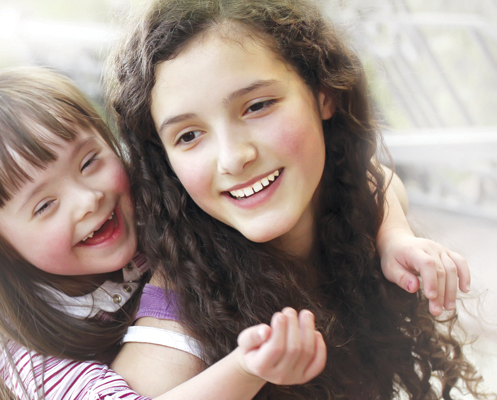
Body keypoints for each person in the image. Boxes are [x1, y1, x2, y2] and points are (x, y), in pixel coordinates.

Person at [0, 66, 470, 398]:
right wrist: (249, 367)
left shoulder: (147, 194)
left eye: (88, 162)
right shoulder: (26, 350)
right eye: (44, 205)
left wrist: (394, 237)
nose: (88, 201)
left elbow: (356, 173)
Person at [106, 0, 488, 398]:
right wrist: (247, 370)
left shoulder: (347, 204)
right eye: (188, 135)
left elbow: (374, 178)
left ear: (324, 94)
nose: (234, 158)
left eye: (257, 107)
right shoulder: (177, 319)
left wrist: (395, 235)